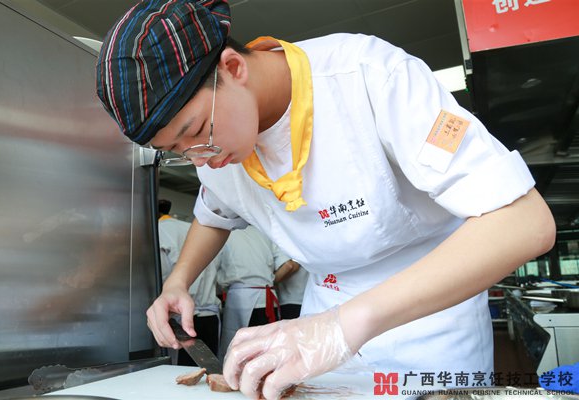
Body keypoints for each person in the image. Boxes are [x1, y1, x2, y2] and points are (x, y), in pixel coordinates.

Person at [96, 1, 556, 399]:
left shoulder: (368, 75)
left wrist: (343, 326)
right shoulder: (216, 150)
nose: (200, 158)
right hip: (319, 322)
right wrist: (178, 282)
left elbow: (524, 222)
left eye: (195, 132)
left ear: (233, 68)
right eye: (178, 150)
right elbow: (214, 213)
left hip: (429, 313)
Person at [157, 199, 221, 364]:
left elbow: (161, 275)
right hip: (210, 315)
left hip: (182, 318)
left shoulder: (160, 231)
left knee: (182, 371)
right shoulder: (193, 228)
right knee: (209, 368)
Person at [216, 224, 292, 360]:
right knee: (268, 351)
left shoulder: (224, 232)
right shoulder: (264, 232)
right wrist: (268, 282)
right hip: (267, 297)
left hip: (241, 299)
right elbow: (288, 265)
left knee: (238, 350)